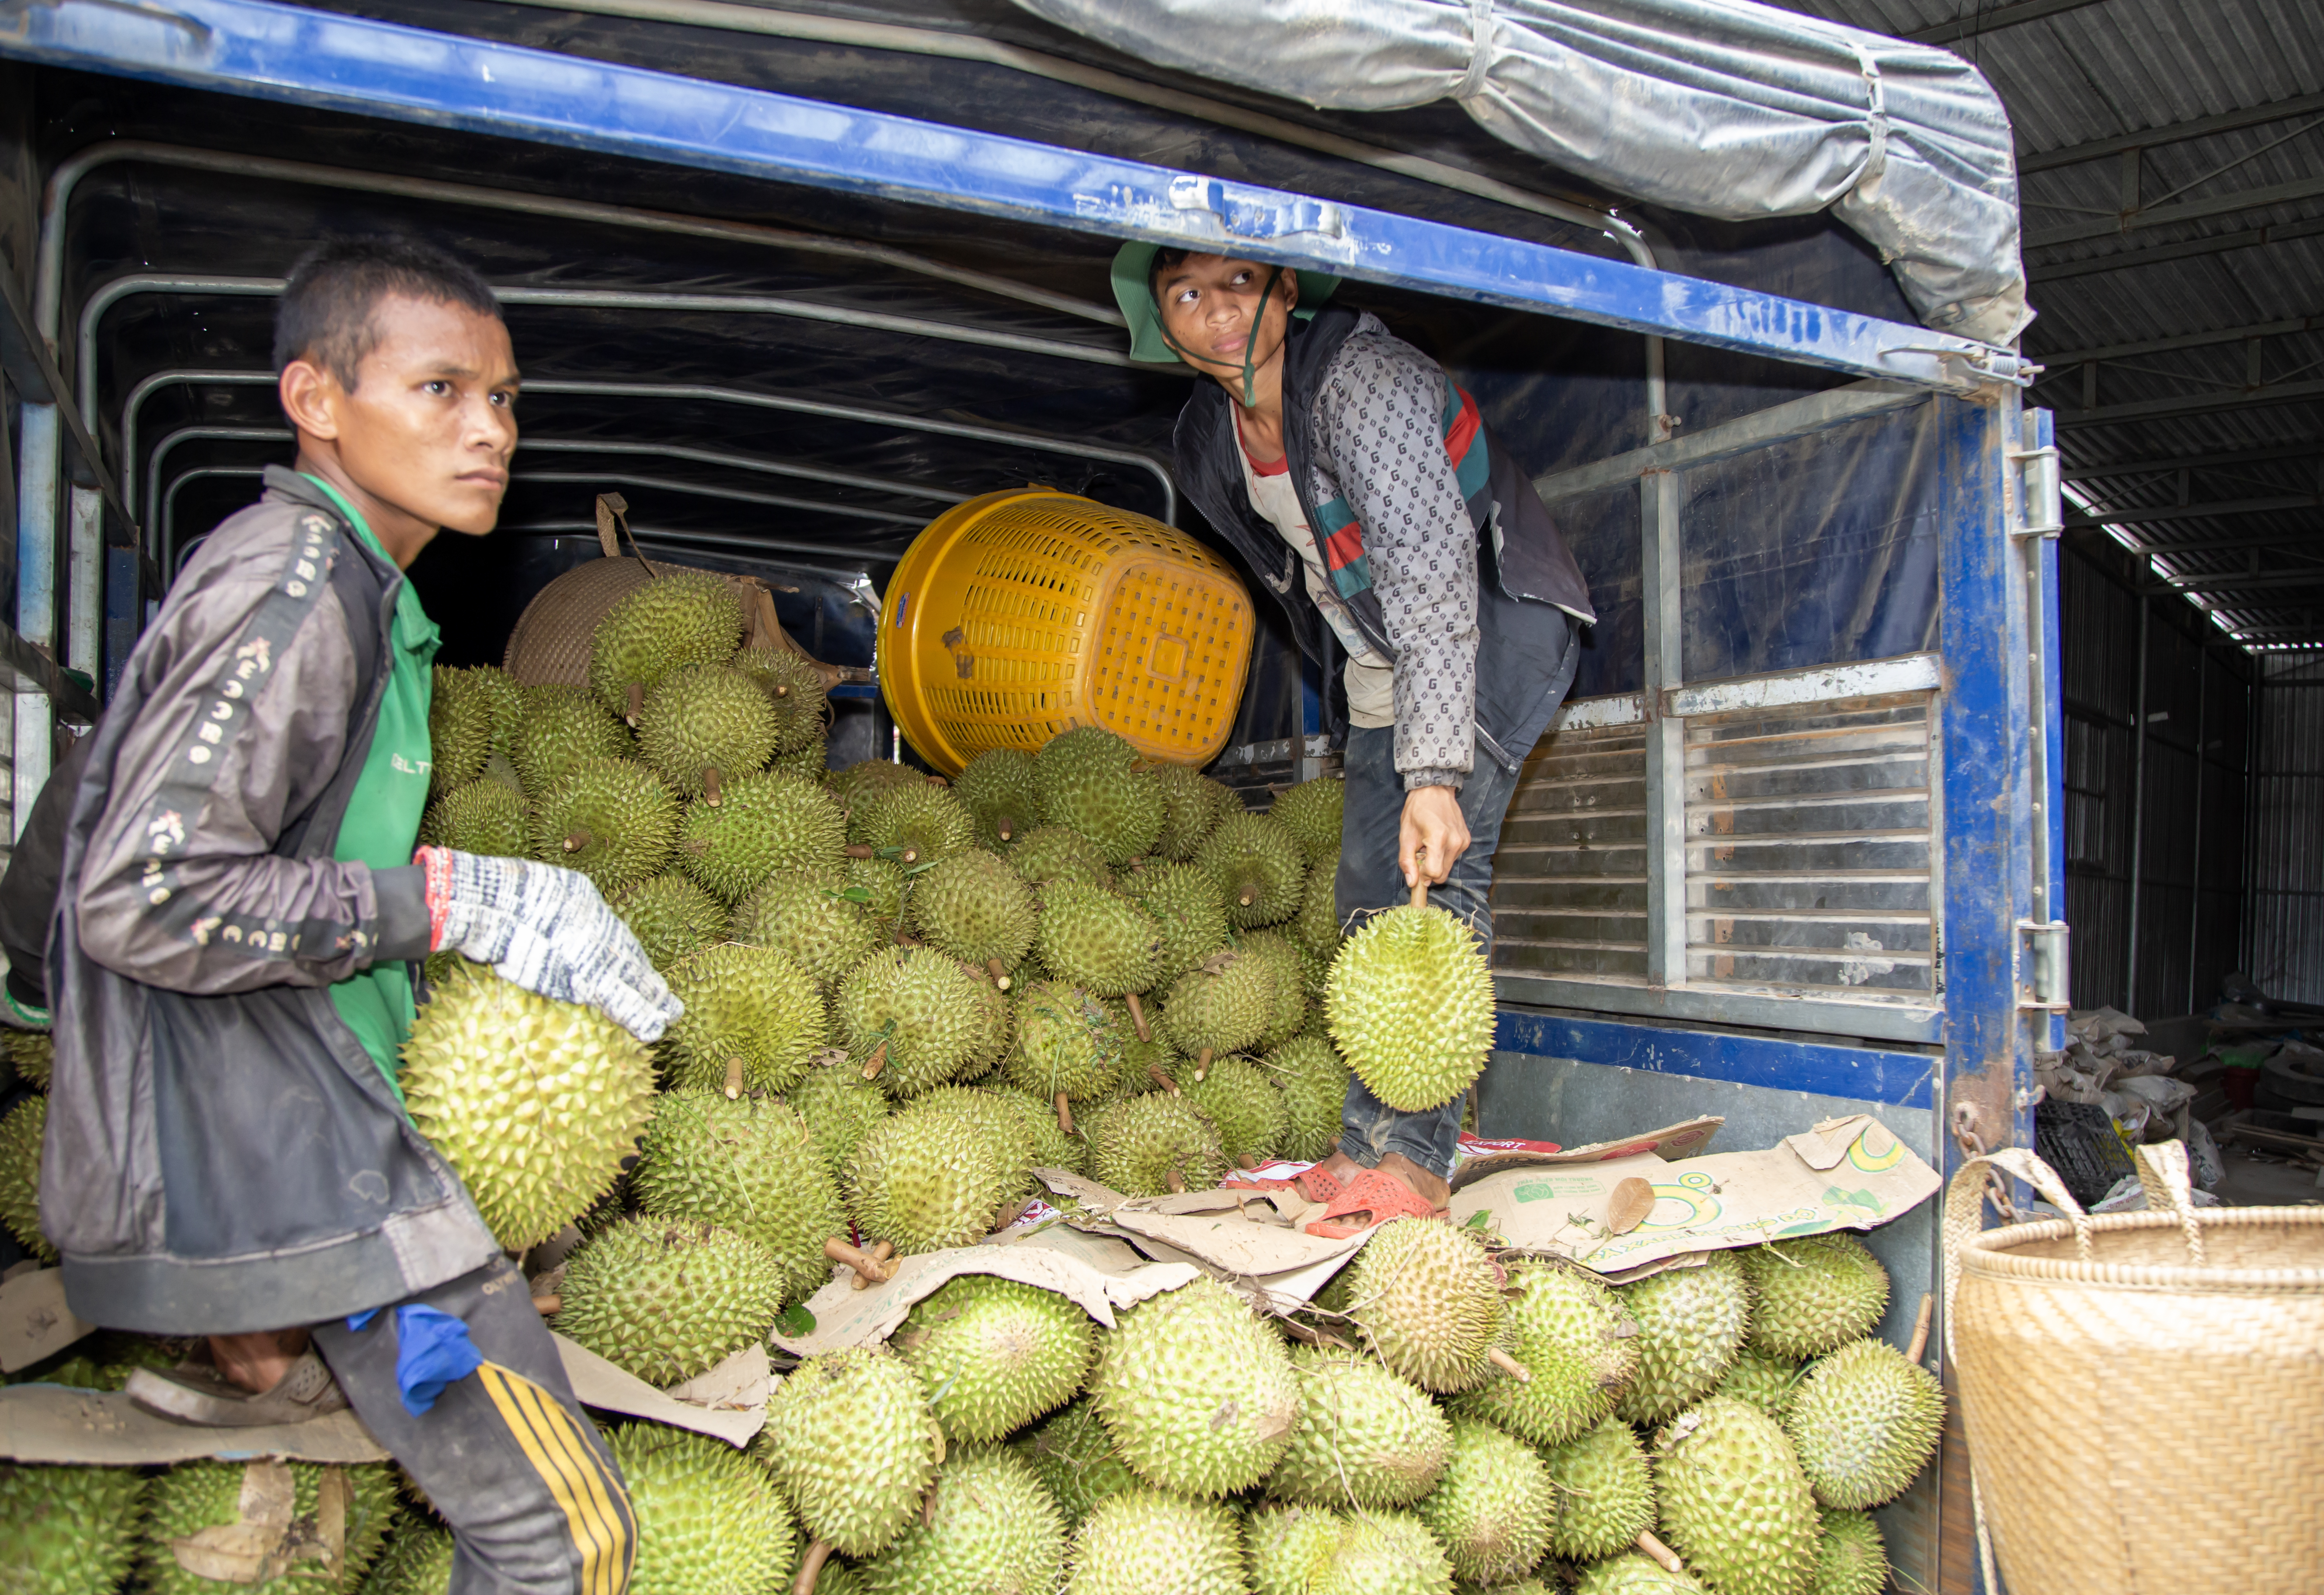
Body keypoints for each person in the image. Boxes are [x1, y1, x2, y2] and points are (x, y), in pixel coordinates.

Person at [41, 237, 678, 1592]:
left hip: (302, 1153)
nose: (488, 431)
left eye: (504, 400)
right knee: (571, 1533)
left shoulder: (355, 599)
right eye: (440, 390)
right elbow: (141, 895)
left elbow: (74, 865)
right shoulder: (290, 590)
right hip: (305, 1172)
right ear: (316, 400)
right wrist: (460, 896)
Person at [1113, 245, 1594, 1234]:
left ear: (1287, 290)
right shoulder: (1211, 436)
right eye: (1188, 296)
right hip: (1386, 650)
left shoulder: (1363, 384)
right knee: (1367, 889)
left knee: (1437, 880)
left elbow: (1428, 575)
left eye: (1240, 286)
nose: (1219, 315)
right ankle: (1365, 1141)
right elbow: (1319, 587)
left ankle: (1414, 1166)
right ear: (1162, 323)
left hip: (1489, 617)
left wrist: (1433, 773)